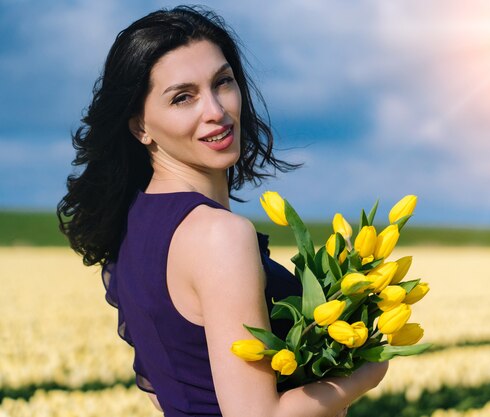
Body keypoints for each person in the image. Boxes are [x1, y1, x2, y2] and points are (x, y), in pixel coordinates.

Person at [57, 5, 387, 417]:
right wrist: (366, 370)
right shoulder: (219, 236)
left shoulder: (134, 225)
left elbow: (166, 386)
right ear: (140, 126)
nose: (215, 110)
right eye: (183, 97)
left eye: (222, 82)